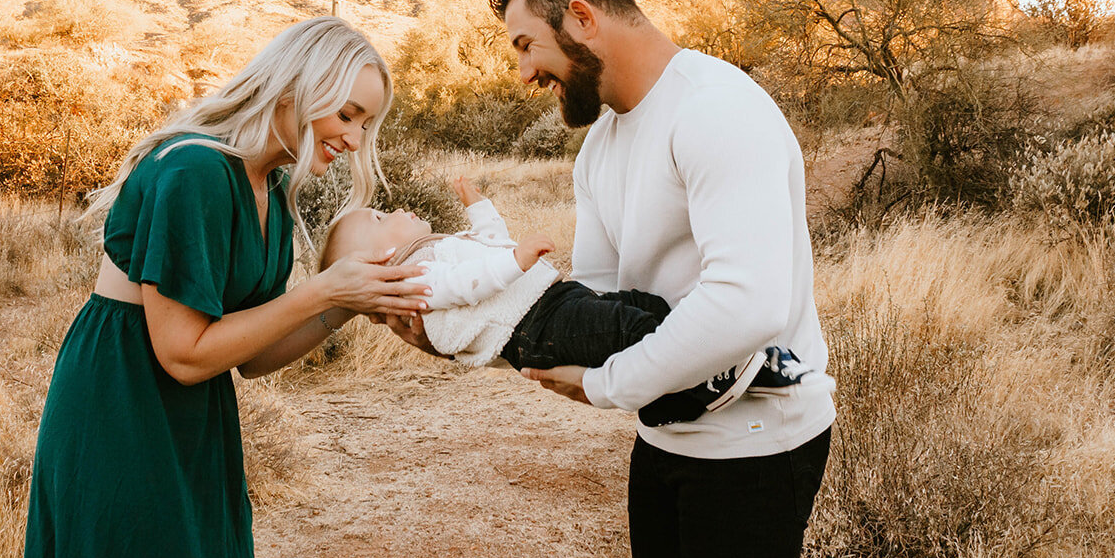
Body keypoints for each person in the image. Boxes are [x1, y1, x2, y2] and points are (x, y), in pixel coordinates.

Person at [387, 0, 836, 558]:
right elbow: (592, 302)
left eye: (527, 44)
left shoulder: (715, 110)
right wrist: (464, 325)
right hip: (662, 438)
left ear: (583, 18)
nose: (523, 71)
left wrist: (605, 385)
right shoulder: (600, 147)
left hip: (756, 442)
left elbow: (747, 301)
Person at [13, 17, 431, 558]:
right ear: (300, 85)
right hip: (121, 412)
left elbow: (255, 354)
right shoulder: (196, 171)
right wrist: (323, 289)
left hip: (191, 418)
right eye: (349, 113)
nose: (355, 138)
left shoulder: (265, 184)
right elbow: (180, 352)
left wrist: (347, 302)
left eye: (366, 124)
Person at [321, 175, 813, 426]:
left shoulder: (433, 255)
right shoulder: (418, 278)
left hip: (548, 307)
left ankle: (671, 393)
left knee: (635, 308)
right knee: (629, 331)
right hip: (537, 326)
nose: (395, 209)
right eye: (382, 217)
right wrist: (517, 259)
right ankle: (727, 373)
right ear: (386, 255)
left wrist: (478, 206)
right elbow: (471, 282)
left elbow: (488, 243)